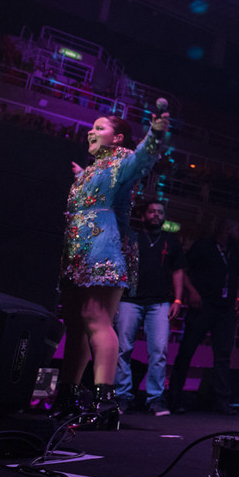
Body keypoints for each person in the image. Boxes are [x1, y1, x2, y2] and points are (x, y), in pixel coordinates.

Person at [55, 111, 170, 429]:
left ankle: (105, 402)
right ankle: (66, 398)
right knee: (76, 328)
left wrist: (155, 134)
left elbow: (144, 157)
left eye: (99, 127)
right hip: (75, 254)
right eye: (90, 126)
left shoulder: (123, 162)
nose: (90, 131)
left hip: (102, 252)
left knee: (96, 320)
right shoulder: (94, 170)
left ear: (117, 138)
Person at [113, 198, 186, 416]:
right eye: (152, 211)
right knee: (123, 349)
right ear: (144, 215)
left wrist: (178, 300)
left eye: (160, 212)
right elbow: (118, 266)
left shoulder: (171, 242)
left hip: (160, 302)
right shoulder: (132, 237)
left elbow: (178, 271)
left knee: (159, 351)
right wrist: (115, 298)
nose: (156, 215)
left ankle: (155, 398)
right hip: (129, 299)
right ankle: (122, 396)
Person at [168, 219, 239, 414]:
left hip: (225, 309)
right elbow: (184, 270)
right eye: (238, 229)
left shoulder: (235, 251)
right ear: (226, 229)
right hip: (203, 305)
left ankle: (222, 401)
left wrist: (238, 297)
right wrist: (191, 291)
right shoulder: (203, 246)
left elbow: (237, 276)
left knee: (223, 355)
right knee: (187, 350)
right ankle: (174, 398)